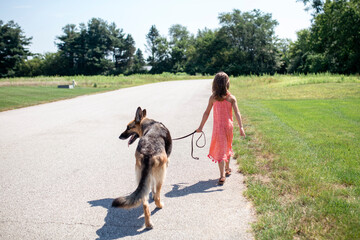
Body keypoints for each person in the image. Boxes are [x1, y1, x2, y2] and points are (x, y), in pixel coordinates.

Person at [196, 72, 245, 185]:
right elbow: (237, 113)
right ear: (227, 84)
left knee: (222, 148)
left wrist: (200, 127)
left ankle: (222, 175)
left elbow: (206, 113)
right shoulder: (231, 98)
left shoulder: (213, 98)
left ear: (215, 85)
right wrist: (241, 127)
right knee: (226, 147)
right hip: (228, 127)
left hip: (219, 128)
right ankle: (226, 169)